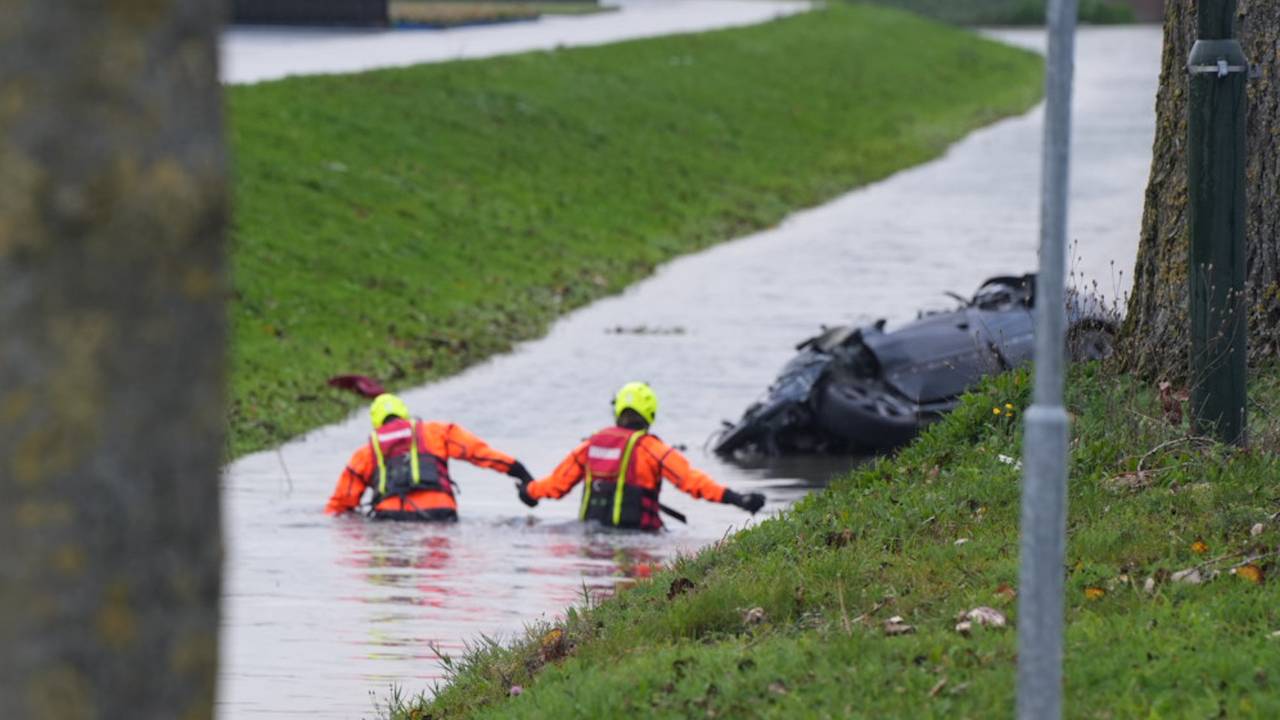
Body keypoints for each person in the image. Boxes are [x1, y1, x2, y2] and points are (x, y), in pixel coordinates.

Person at [515, 381, 765, 530]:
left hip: (590, 540)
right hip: (641, 539)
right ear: (650, 413)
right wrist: (738, 499)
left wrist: (529, 491)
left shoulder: (591, 445)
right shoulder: (652, 449)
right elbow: (692, 482)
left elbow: (556, 485)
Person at [325, 393, 535, 521]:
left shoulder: (367, 451)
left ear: (376, 423)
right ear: (405, 414)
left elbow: (340, 505)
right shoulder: (437, 432)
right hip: (440, 514)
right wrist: (521, 473)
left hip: (391, 518)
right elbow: (481, 454)